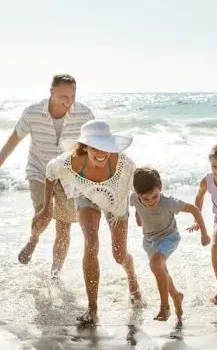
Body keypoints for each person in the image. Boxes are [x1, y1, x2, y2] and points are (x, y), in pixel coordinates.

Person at [0, 74, 94, 277]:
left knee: (64, 227)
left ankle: (55, 273)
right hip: (39, 171)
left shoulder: (85, 114)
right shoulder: (32, 113)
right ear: (51, 92)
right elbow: (14, 139)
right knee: (44, 215)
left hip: (70, 177)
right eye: (63, 97)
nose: (69, 102)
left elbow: (96, 146)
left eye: (73, 96)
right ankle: (34, 239)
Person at [33, 120, 142, 324]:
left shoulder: (125, 165)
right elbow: (49, 173)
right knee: (91, 244)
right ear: (85, 147)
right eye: (95, 148)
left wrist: (140, 212)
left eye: (105, 148)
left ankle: (132, 278)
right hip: (87, 197)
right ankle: (92, 309)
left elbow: (138, 188)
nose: (101, 153)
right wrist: (46, 207)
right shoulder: (69, 163)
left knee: (119, 255)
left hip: (116, 201)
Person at [131, 167, 210, 322]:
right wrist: (138, 217)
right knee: (161, 272)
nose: (151, 202)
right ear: (138, 194)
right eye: (145, 199)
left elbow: (194, 209)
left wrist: (204, 233)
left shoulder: (169, 203)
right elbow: (136, 206)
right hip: (149, 241)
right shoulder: (134, 198)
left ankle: (164, 307)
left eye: (154, 197)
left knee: (155, 264)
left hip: (169, 237)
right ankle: (177, 297)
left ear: (160, 188)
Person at [187, 143, 217, 305]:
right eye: (214, 166)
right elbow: (199, 197)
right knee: (215, 247)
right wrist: (197, 219)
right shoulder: (207, 181)